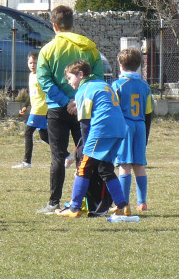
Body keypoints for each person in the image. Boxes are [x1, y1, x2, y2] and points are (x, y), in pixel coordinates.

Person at [35, 6, 103, 214]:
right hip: (85, 108)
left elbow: (44, 80)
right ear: (73, 24)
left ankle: (54, 202)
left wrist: (65, 101)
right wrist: (78, 100)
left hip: (57, 108)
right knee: (88, 155)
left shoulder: (47, 50)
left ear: (54, 25)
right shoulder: (89, 47)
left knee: (57, 156)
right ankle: (92, 202)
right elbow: (97, 77)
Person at [55, 60, 132, 218]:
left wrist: (84, 149)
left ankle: (74, 208)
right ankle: (122, 205)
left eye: (70, 78)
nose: (69, 83)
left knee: (83, 167)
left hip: (102, 129)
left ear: (80, 74)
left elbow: (85, 123)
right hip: (119, 128)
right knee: (105, 168)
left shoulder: (84, 90)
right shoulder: (101, 84)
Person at [112, 47, 153, 210]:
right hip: (141, 125)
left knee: (124, 164)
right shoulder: (145, 86)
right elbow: (149, 112)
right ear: (139, 66)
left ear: (121, 66)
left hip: (125, 126)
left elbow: (113, 109)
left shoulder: (117, 84)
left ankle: (123, 202)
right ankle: (141, 202)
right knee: (139, 165)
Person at [13, 51, 48, 169]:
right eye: (30, 62)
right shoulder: (31, 75)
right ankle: (65, 154)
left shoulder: (40, 76)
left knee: (28, 132)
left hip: (40, 108)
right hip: (36, 108)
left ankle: (26, 162)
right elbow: (32, 94)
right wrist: (25, 105)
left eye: (35, 63)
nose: (32, 65)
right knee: (44, 136)